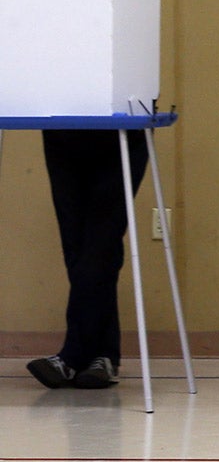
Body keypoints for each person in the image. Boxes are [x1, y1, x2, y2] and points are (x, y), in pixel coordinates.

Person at [25, 129, 149, 390]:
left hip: (121, 135)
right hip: (63, 134)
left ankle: (71, 356)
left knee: (100, 245)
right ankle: (103, 357)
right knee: (77, 249)